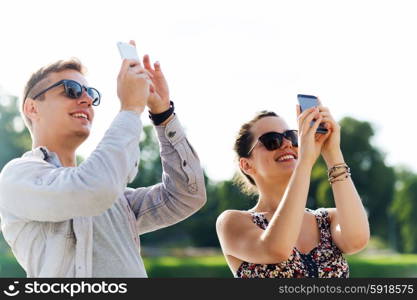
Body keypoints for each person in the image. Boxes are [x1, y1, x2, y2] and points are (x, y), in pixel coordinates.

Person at [0, 42, 206, 277]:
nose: (86, 99)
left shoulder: (115, 197)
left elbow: (188, 195)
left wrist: (163, 113)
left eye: (92, 94)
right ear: (32, 108)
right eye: (72, 90)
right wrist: (130, 108)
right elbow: (93, 188)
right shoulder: (17, 177)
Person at [216, 103, 370, 278]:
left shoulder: (328, 219)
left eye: (292, 136)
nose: (288, 143)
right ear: (247, 165)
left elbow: (357, 240)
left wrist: (332, 153)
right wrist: (305, 162)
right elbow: (276, 249)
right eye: (272, 140)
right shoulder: (232, 222)